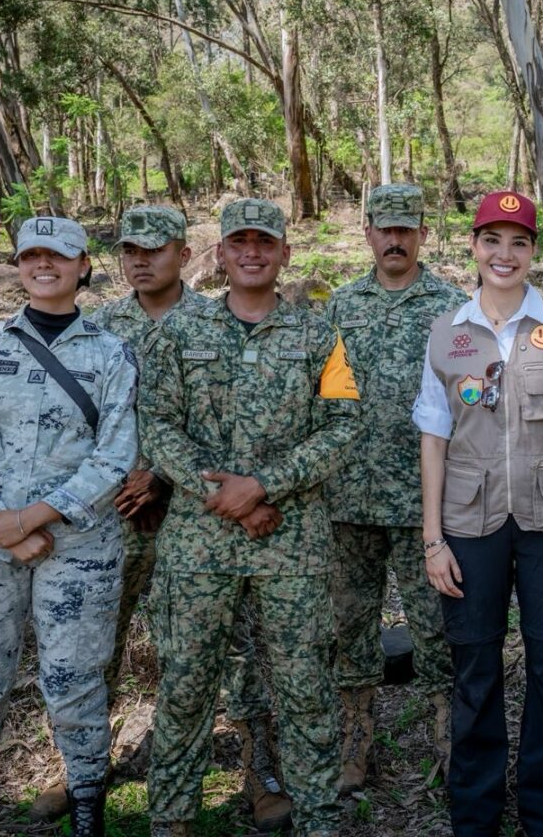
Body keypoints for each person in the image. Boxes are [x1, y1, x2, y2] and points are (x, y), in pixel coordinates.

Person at [141, 198, 361, 837]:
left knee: (305, 691)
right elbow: (156, 423)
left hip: (291, 544)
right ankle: (173, 819)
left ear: (285, 253)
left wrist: (264, 485)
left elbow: (342, 425)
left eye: (265, 242)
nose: (252, 252)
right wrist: (226, 497)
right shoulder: (180, 332)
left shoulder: (320, 334)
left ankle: (318, 818)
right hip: (198, 543)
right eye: (239, 241)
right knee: (185, 686)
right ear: (220, 254)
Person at [414, 189, 543, 837]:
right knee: (475, 670)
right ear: (473, 247)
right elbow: (433, 435)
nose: (505, 254)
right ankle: (474, 816)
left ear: (534, 252)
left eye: (519, 242)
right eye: (492, 240)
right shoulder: (450, 333)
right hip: (469, 527)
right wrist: (432, 541)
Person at [82, 205, 290, 831]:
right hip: (115, 511)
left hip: (204, 514)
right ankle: (86, 767)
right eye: (128, 250)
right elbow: (77, 427)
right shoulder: (95, 329)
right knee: (97, 643)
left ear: (186, 253)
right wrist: (124, 480)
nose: (140, 261)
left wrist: (168, 480)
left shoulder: (221, 318)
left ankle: (262, 772)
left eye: (154, 248)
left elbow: (240, 431)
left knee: (248, 645)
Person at [0, 216, 139, 837]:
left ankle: (85, 806)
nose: (43, 266)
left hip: (79, 546)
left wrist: (35, 518)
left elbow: (115, 454)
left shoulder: (111, 353)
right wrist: (3, 527)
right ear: (19, 267)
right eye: (31, 257)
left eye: (59, 256)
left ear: (83, 268)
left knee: (76, 681)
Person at [322, 184, 467, 793]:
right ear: (368, 234)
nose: (395, 240)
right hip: (347, 499)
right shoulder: (339, 307)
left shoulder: (455, 307)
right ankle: (357, 742)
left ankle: (448, 737)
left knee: (436, 626)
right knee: (349, 626)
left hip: (423, 503)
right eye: (385, 229)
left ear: (423, 236)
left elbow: (473, 398)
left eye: (407, 229)